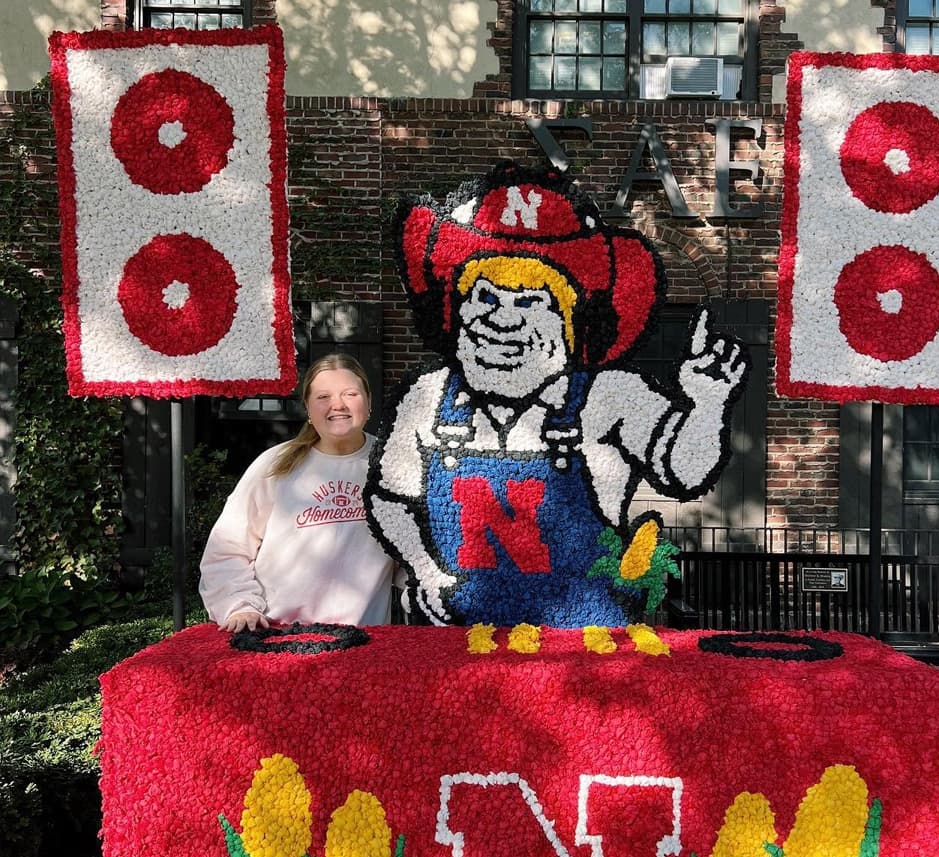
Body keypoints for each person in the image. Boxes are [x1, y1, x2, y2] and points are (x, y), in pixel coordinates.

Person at [366, 163, 749, 628]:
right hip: (455, 636)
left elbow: (684, 472)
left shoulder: (609, 395)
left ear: (569, 323)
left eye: (529, 303)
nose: (503, 319)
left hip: (582, 638)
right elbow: (391, 498)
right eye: (487, 298)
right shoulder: (428, 396)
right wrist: (428, 573)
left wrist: (708, 404)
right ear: (458, 310)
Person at [199, 354, 395, 631]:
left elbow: (413, 559)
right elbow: (227, 547)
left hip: (363, 641)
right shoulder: (275, 465)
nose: (337, 405)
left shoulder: (394, 467)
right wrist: (240, 605)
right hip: (278, 634)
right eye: (323, 396)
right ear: (308, 408)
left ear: (369, 402)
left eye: (350, 394)